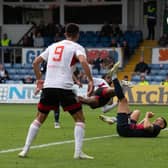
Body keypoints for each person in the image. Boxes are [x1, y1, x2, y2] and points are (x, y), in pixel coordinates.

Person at [18, 23, 94, 159]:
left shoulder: (53, 46)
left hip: (49, 87)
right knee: (79, 119)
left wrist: (39, 80)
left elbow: (35, 62)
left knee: (39, 118)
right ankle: (78, 153)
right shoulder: (77, 47)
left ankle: (25, 150)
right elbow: (83, 62)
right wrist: (90, 80)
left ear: (65, 34)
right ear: (77, 35)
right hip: (64, 88)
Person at [100, 61, 167, 137]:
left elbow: (147, 126)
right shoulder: (154, 129)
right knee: (137, 112)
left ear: (162, 126)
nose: (156, 120)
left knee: (123, 100)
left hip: (125, 129)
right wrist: (146, 119)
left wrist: (147, 115)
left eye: (158, 121)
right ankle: (115, 119)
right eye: (157, 119)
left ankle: (114, 76)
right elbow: (141, 125)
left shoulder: (156, 128)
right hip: (128, 128)